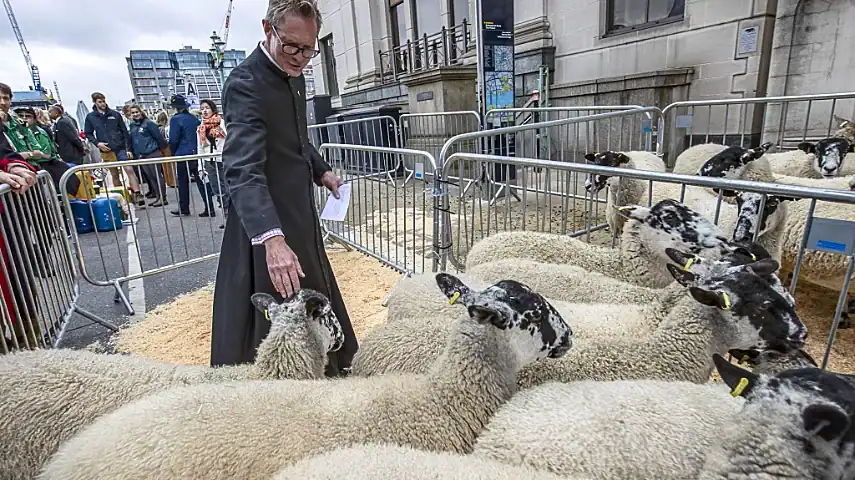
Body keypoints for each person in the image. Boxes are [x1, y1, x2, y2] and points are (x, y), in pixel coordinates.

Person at [210, 0, 357, 375]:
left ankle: (326, 366)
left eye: (310, 49)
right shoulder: (245, 84)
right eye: (291, 45)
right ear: (267, 29)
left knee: (312, 290)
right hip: (267, 220)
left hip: (298, 209)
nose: (301, 57)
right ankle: (276, 386)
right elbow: (241, 167)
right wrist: (271, 239)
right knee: (273, 307)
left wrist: (321, 171)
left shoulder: (296, 74)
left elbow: (294, 138)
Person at [83, 92, 145, 206]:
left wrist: (128, 149)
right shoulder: (91, 117)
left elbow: (124, 132)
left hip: (120, 147)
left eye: (103, 101)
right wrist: (98, 143)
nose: (102, 103)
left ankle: (137, 193)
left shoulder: (115, 114)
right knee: (114, 174)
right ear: (95, 102)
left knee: (129, 169)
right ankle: (121, 197)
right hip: (106, 149)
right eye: (100, 102)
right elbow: (88, 133)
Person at [166, 94, 214, 217]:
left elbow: (173, 139)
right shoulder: (193, 118)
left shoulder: (175, 119)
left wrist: (172, 152)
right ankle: (210, 207)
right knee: (201, 181)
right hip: (196, 153)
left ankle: (184, 207)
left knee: (183, 182)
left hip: (183, 154)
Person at [128, 105, 169, 207]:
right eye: (133, 113)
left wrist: (162, 149)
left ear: (141, 112)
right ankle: (158, 196)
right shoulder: (132, 126)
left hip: (152, 152)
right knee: (150, 177)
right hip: (141, 155)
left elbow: (158, 137)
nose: (135, 114)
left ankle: (163, 197)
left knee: (157, 175)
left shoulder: (149, 123)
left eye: (137, 112)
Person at [197, 99, 228, 227]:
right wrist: (200, 167)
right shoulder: (201, 128)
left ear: (213, 109)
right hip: (209, 161)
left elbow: (229, 137)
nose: (204, 111)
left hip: (223, 160)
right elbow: (200, 147)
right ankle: (227, 217)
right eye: (202, 108)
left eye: (207, 108)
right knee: (217, 190)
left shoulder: (222, 122)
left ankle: (233, 217)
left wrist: (220, 129)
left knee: (228, 189)